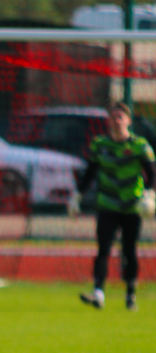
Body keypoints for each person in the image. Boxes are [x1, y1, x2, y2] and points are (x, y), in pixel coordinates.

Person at [73, 101, 156, 311]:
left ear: (128, 120)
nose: (117, 120)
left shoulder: (139, 145)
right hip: (107, 204)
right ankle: (98, 292)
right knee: (103, 249)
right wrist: (77, 196)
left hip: (131, 206)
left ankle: (130, 295)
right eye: (113, 117)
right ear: (108, 120)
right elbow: (90, 173)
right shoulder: (100, 144)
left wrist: (149, 195)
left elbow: (152, 173)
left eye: (121, 116)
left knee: (129, 251)